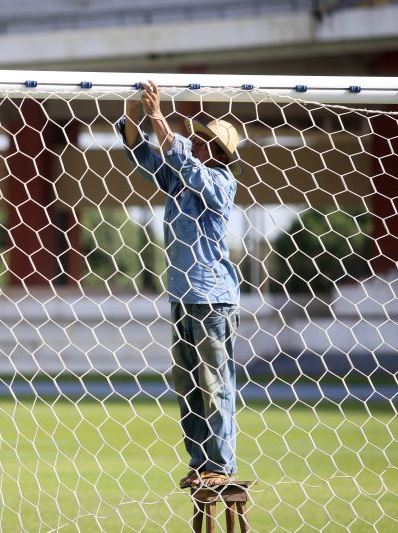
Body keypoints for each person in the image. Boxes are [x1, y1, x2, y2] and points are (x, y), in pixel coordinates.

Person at [116, 80, 242, 488]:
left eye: (203, 141)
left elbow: (184, 161)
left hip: (211, 298)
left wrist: (158, 116)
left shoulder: (221, 183)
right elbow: (142, 155)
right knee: (188, 388)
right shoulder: (179, 182)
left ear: (219, 153)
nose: (195, 143)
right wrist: (135, 115)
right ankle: (201, 463)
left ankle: (220, 467)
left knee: (214, 386)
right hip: (183, 297)